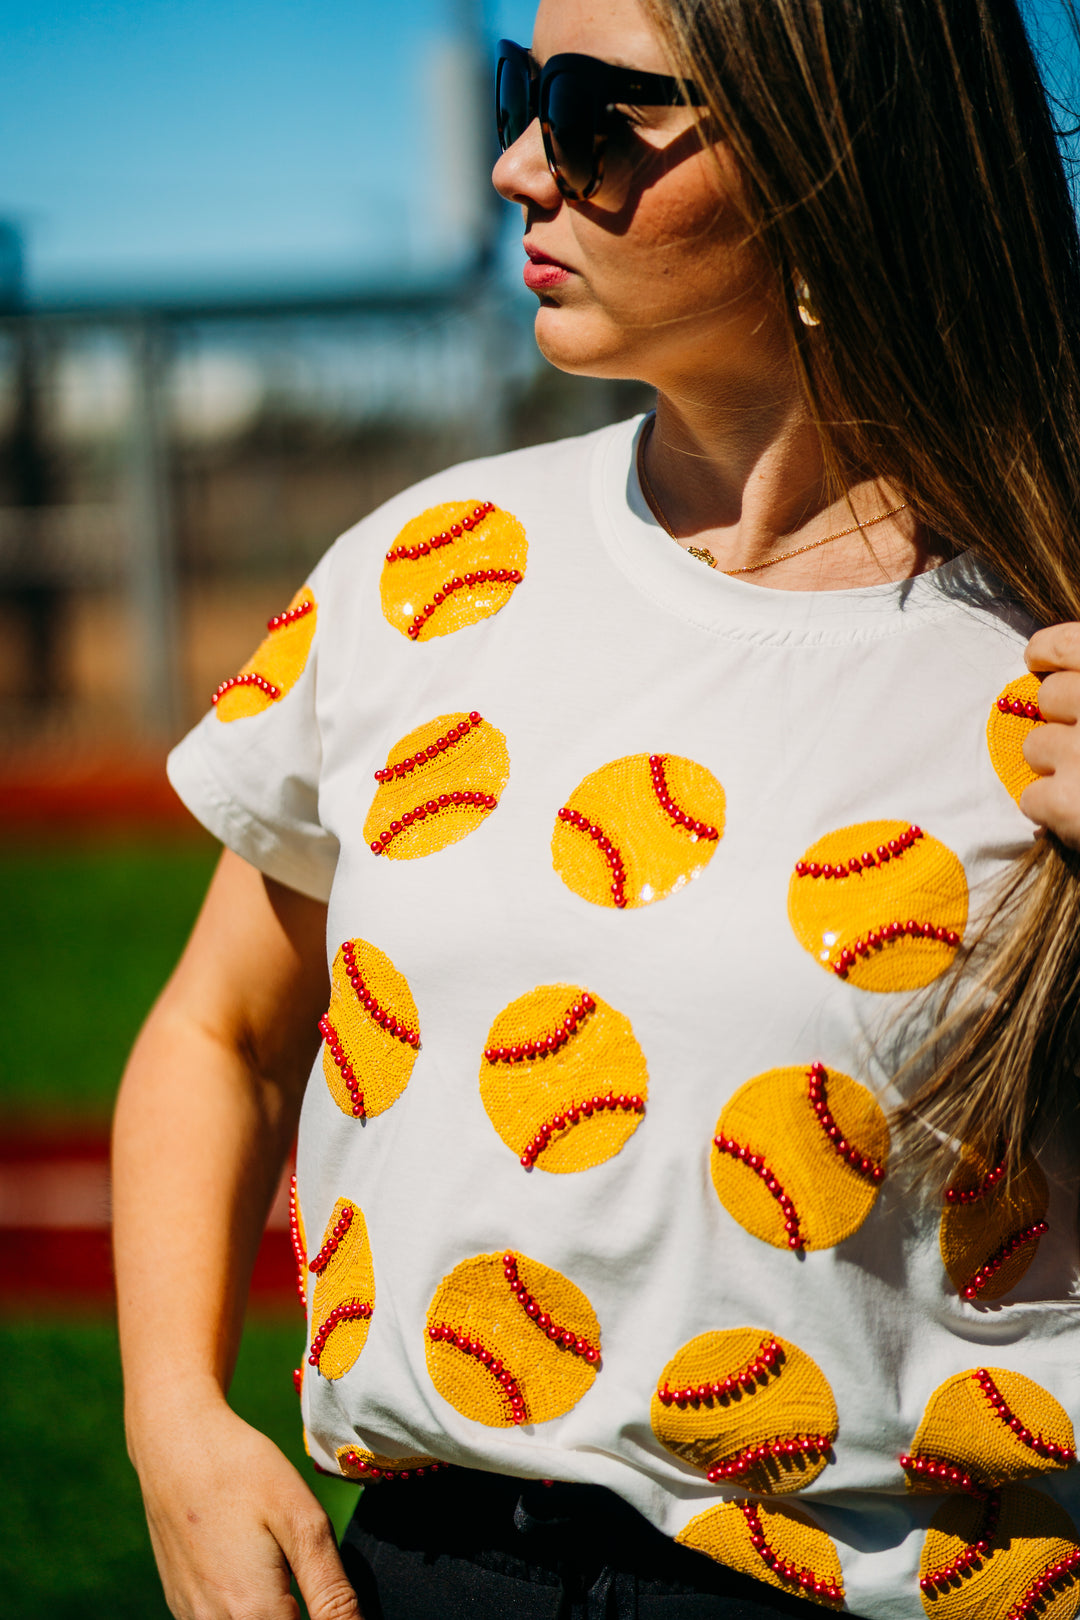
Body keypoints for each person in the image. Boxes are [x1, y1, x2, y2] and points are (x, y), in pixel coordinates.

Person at [113, 1, 1080, 1616]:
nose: (515, 167)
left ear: (835, 158)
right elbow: (219, 1029)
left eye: (587, 109)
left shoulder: (1048, 634)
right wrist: (173, 1422)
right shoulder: (424, 568)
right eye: (520, 90)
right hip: (419, 1575)